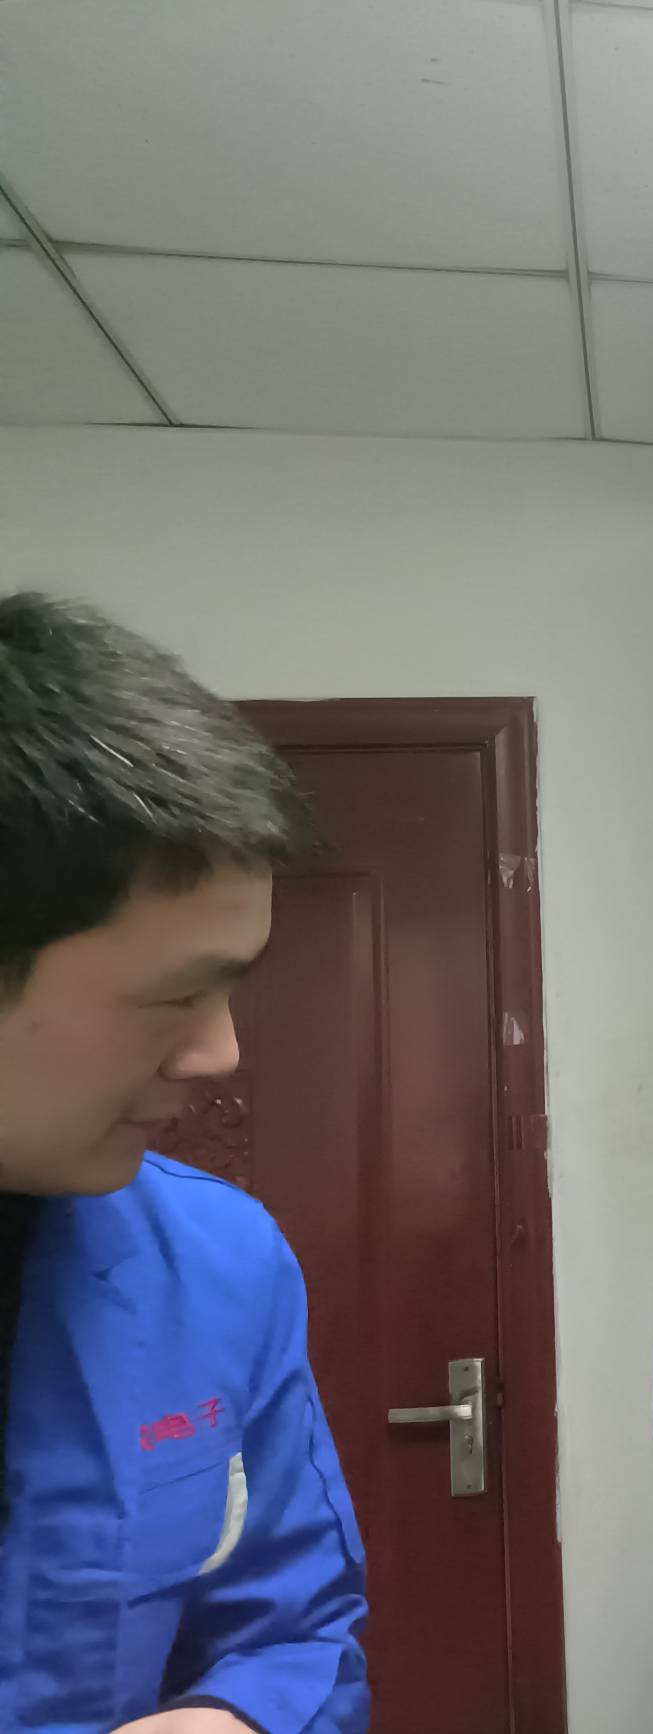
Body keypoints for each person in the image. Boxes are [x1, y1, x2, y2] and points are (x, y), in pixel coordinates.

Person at [0, 594, 369, 1733]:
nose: (220, 1054)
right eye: (173, 997)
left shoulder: (214, 1264)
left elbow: (295, 1635)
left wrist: (233, 1719)